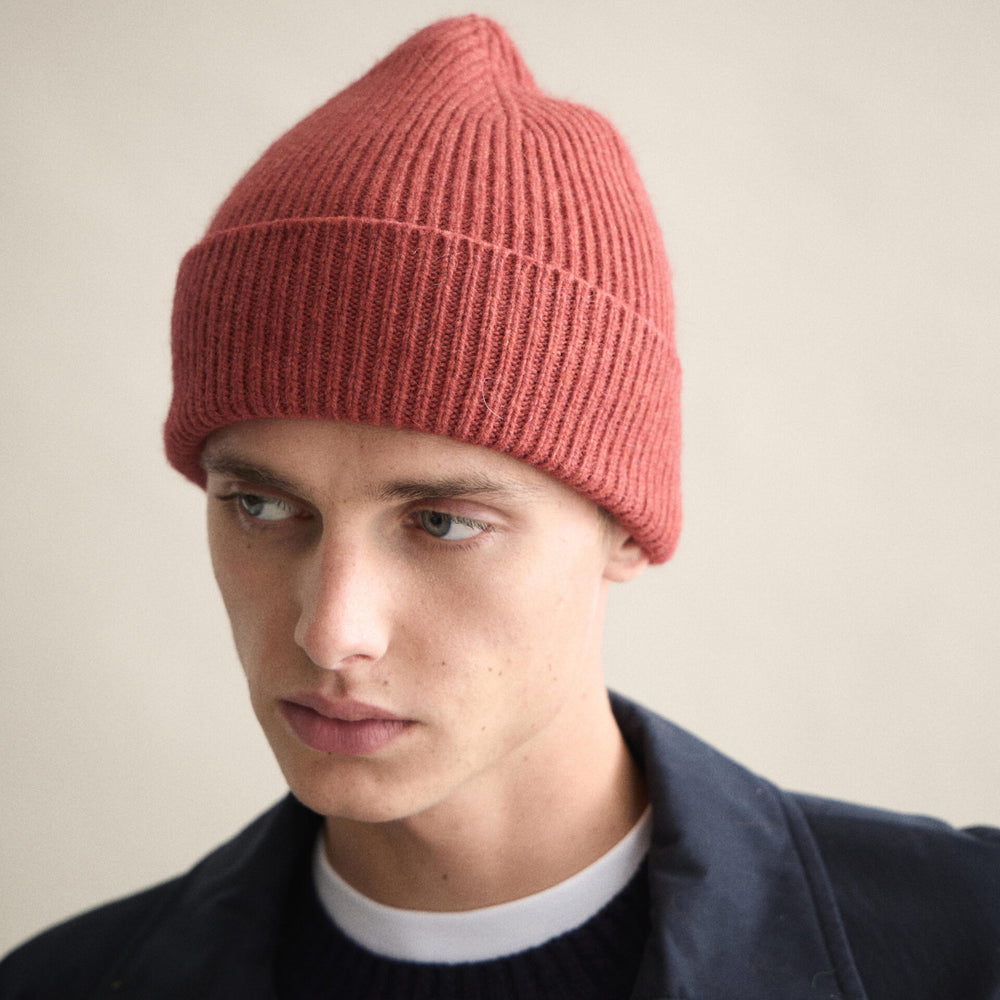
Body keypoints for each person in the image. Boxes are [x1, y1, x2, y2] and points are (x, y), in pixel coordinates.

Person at [2, 14, 998, 1000]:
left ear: (623, 529)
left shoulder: (967, 946)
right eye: (262, 506)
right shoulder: (58, 984)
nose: (330, 630)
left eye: (441, 522)